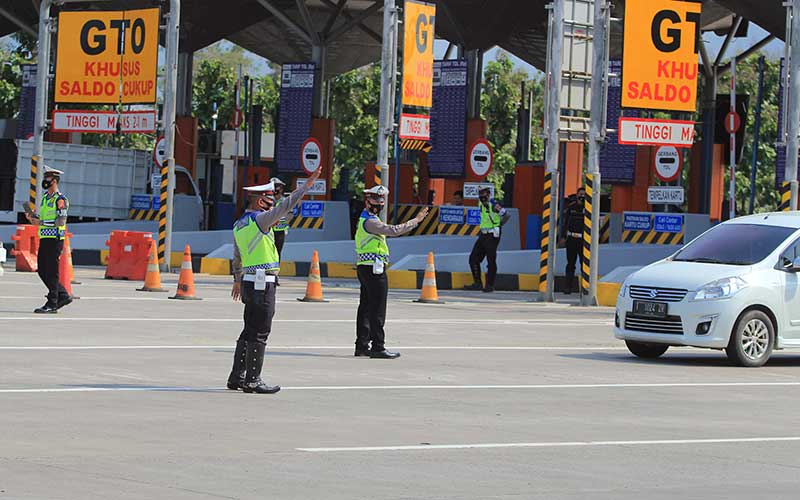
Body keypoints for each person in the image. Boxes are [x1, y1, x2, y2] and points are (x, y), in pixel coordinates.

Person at [227, 167, 321, 394]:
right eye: (270, 200)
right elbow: (285, 207)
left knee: (248, 330)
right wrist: (306, 187)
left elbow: (237, 256)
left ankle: (237, 377)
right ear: (261, 203)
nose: (273, 204)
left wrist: (237, 280)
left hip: (249, 281)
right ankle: (253, 380)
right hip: (262, 283)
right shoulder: (260, 220)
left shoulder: (240, 224)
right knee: (260, 331)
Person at [355, 185, 429, 359]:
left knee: (365, 307)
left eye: (381, 201)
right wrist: (416, 220)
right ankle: (378, 347)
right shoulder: (370, 221)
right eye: (376, 201)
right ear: (367, 202)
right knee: (377, 308)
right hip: (374, 270)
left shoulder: (366, 218)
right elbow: (394, 230)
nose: (379, 204)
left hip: (365, 267)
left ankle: (362, 345)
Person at [25, 165, 72, 314]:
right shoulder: (45, 198)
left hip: (55, 239)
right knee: (42, 271)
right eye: (45, 178)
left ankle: (53, 302)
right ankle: (62, 295)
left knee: (51, 271)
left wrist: (42, 223)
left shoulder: (61, 200)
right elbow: (44, 219)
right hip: (45, 238)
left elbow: (61, 221)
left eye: (48, 178)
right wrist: (33, 218)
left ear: (55, 181)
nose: (45, 180)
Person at [464, 186, 510, 293]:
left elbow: (507, 215)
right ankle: (478, 283)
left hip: (492, 235)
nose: (481, 197)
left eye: (484, 195)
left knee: (491, 260)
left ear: (488, 195)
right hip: (483, 234)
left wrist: (499, 225)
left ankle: (489, 285)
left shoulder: (494, 205)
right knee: (473, 258)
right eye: (480, 195)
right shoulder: (480, 204)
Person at [560, 187, 587, 295]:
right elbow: (565, 223)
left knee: (584, 265)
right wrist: (562, 237)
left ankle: (584, 288)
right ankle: (568, 288)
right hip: (572, 239)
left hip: (583, 241)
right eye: (580, 194)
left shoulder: (589, 208)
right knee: (570, 264)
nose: (582, 196)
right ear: (577, 195)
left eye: (584, 195)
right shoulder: (571, 208)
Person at [269, 177, 291, 258]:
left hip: (280, 230)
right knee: (268, 251)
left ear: (281, 189)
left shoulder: (285, 201)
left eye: (276, 186)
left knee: (277, 252)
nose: (274, 189)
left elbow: (289, 215)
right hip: (268, 230)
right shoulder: (268, 200)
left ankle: (275, 269)